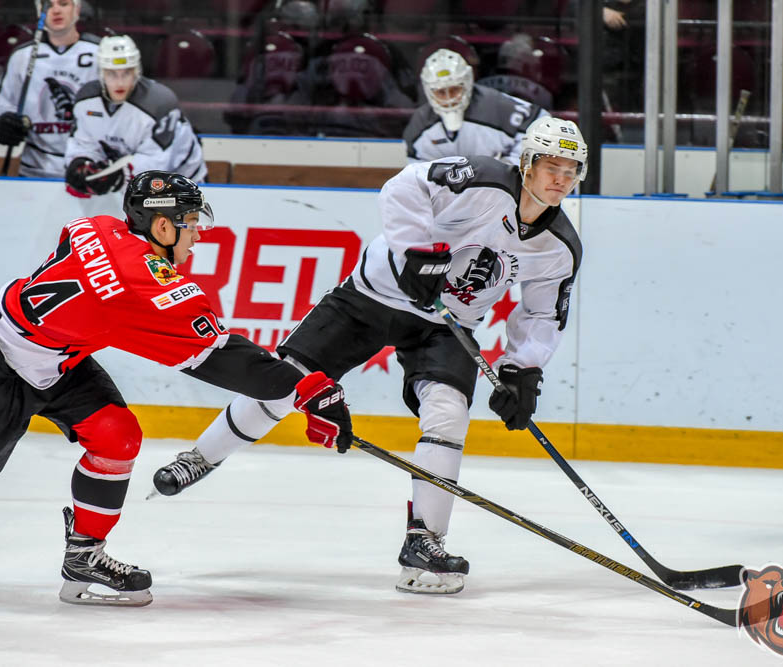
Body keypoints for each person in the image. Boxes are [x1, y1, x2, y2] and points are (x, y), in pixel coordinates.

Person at [0, 171, 354, 607]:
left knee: (118, 436)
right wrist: (308, 389)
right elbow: (222, 357)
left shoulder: (100, 225)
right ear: (162, 227)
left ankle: (84, 555)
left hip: (57, 359)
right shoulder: (144, 286)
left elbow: (78, 260)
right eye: (189, 222)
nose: (197, 234)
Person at [153, 116, 587, 595]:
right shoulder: (482, 179)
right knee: (287, 382)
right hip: (371, 297)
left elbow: (542, 315)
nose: (560, 179)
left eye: (571, 171)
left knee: (448, 413)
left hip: (446, 326)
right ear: (526, 163)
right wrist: (418, 252)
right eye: (552, 166)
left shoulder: (560, 247)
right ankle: (201, 457)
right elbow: (405, 186)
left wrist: (522, 373)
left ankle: (425, 542)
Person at [63, 34, 206, 199]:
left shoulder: (160, 103)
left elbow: (158, 161)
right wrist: (80, 162)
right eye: (112, 74)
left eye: (127, 73)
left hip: (183, 182)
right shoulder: (86, 100)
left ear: (137, 71)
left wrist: (119, 177)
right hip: (128, 184)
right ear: (101, 73)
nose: (120, 82)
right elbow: (84, 143)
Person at [0, 0, 100, 178]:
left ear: (77, 10)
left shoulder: (99, 53)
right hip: (34, 168)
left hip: (87, 168)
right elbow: (7, 103)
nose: (56, 10)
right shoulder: (22, 56)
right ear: (39, 13)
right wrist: (6, 122)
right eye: (48, 6)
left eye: (63, 4)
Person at [403, 48, 549, 165]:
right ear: (428, 90)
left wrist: (509, 168)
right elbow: (417, 174)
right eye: (441, 92)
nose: (449, 99)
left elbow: (541, 123)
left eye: (454, 89)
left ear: (466, 83)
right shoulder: (420, 123)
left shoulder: (496, 105)